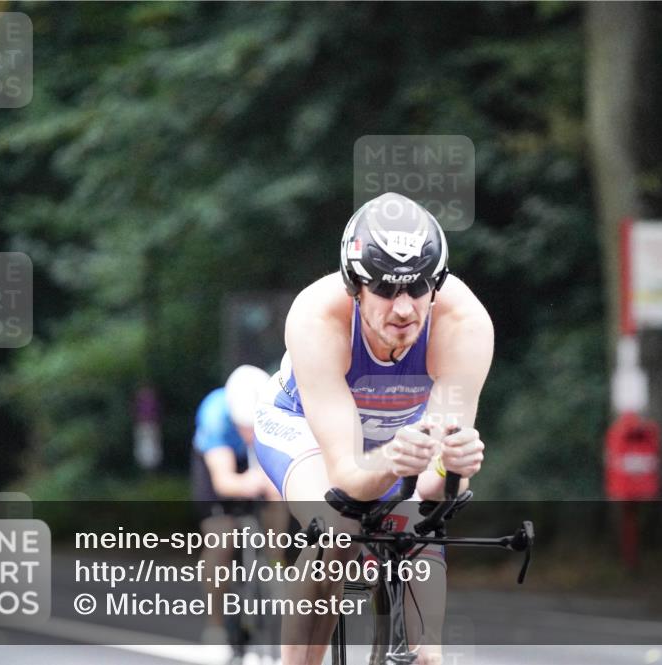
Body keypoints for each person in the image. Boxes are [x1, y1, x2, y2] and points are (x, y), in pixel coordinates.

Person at [254, 192, 493, 665]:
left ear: (437, 283)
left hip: (401, 435)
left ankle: (425, 654)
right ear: (354, 287)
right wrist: (390, 464)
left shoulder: (464, 325)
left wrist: (454, 469)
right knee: (337, 529)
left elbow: (433, 484)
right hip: (300, 426)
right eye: (385, 290)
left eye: (418, 288)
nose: (403, 309)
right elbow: (345, 477)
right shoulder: (316, 317)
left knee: (419, 525)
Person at [191, 364, 286, 653]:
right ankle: (216, 625)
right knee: (222, 537)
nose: (248, 432)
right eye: (244, 426)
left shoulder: (278, 405)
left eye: (252, 426)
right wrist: (246, 483)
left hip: (258, 455)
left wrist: (274, 484)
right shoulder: (216, 415)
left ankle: (275, 564)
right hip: (220, 462)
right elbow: (225, 482)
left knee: (277, 498)